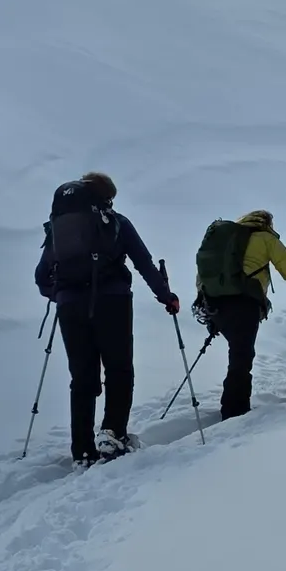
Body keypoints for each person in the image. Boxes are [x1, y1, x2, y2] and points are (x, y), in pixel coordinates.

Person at [35, 171, 179, 464]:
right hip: (113, 302)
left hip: (70, 307)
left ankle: (82, 451)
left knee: (82, 377)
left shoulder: (58, 227)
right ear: (107, 197)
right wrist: (167, 297)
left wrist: (62, 294)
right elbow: (144, 263)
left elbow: (41, 277)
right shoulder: (117, 222)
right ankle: (113, 434)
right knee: (119, 368)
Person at [194, 209, 286, 420]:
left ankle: (233, 406)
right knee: (241, 357)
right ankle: (235, 411)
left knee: (238, 354)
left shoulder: (225, 239)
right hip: (244, 304)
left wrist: (208, 305)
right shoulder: (266, 238)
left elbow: (202, 275)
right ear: (267, 223)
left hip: (214, 304)